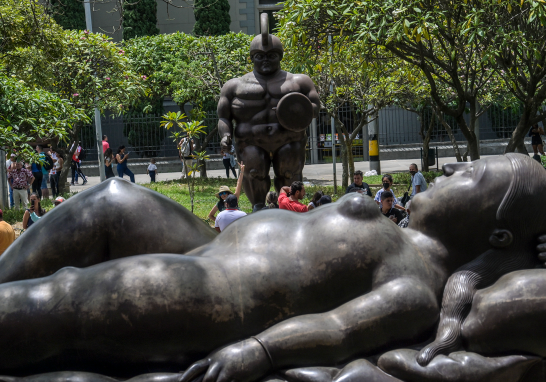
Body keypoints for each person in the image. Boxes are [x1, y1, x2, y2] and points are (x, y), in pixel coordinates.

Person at [0, 154, 542, 381]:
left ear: (497, 233)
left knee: (60, 300)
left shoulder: (417, 285)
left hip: (218, 291)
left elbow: (338, 329)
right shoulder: (400, 235)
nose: (450, 172)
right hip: (208, 244)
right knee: (113, 200)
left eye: (468, 177)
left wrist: (258, 350)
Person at [217, 14, 320, 210]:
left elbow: (314, 108)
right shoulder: (234, 86)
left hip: (289, 140)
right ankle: (258, 210)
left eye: (271, 56)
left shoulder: (299, 81)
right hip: (251, 142)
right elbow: (224, 117)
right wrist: (225, 135)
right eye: (259, 56)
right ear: (252, 57)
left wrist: (295, 110)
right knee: (254, 172)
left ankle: (290, 211)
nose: (265, 60)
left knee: (289, 173)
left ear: (280, 56)